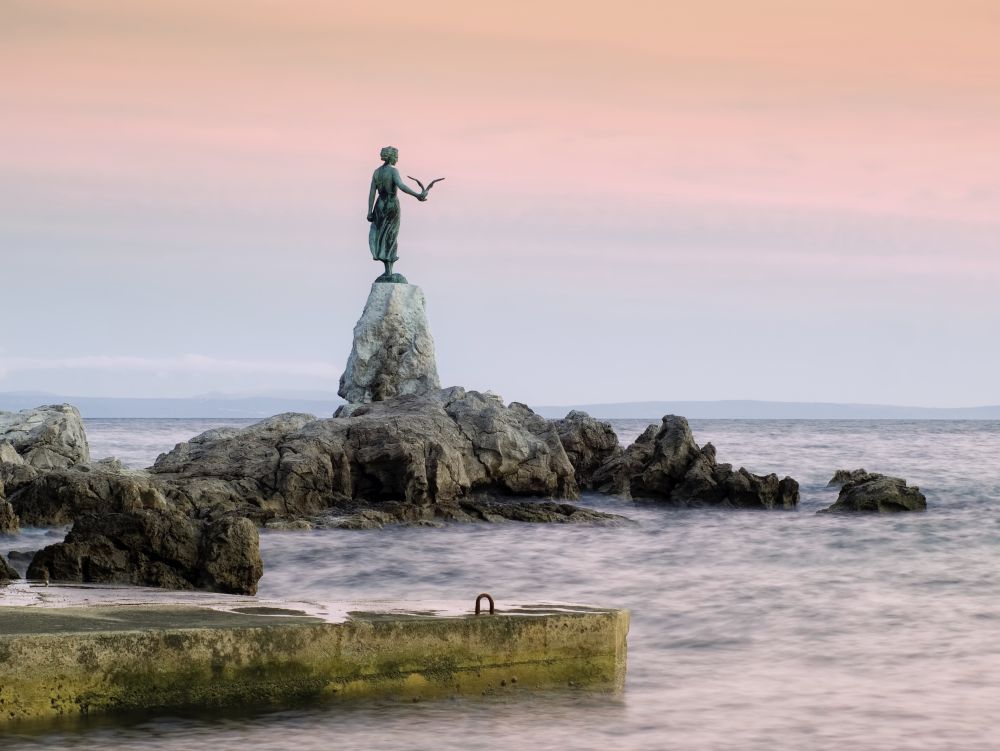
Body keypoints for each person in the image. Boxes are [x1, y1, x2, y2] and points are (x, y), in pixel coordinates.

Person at [367, 146, 426, 279]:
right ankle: (389, 271)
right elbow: (401, 186)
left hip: (379, 205)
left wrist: (369, 211)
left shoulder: (377, 172)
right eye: (396, 156)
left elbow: (372, 193)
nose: (397, 159)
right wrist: (417, 195)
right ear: (391, 157)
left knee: (382, 235)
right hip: (391, 205)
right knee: (391, 235)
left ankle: (388, 270)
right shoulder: (393, 171)